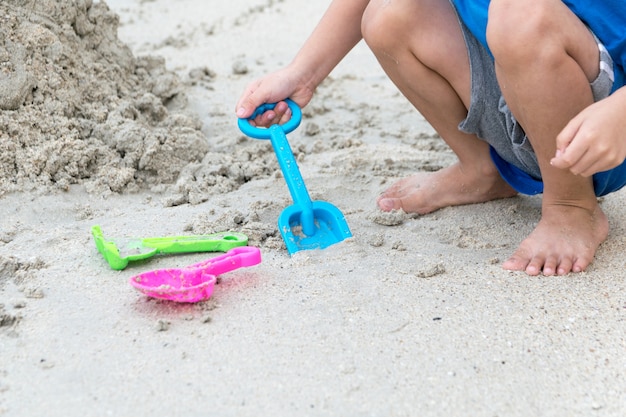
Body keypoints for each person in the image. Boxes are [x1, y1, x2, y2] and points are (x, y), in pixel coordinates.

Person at [235, 0, 626, 276]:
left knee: (520, 13)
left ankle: (572, 207)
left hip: (599, 134)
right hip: (516, 88)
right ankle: (484, 169)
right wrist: (303, 75)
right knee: (390, 13)